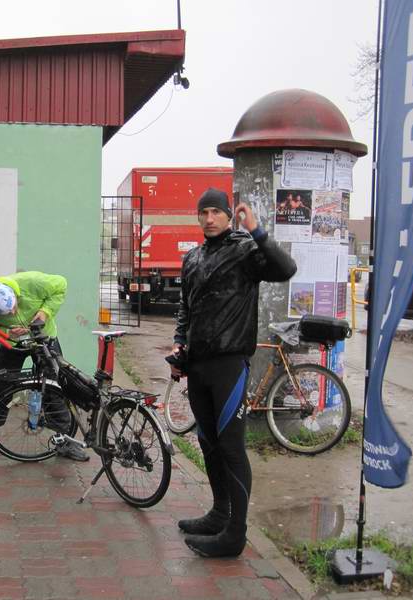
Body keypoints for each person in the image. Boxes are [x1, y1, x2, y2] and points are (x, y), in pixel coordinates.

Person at [168, 188, 296, 558]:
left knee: (231, 447)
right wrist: (179, 347)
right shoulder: (192, 258)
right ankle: (219, 513)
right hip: (198, 366)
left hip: (229, 364)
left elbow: (285, 270)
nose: (208, 218)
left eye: (215, 212)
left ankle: (235, 535)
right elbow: (185, 309)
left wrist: (256, 230)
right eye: (202, 212)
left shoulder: (245, 251)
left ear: (228, 215)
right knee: (208, 443)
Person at [0, 271, 89, 462]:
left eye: (13, 308)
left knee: (55, 387)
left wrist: (45, 313)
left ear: (16, 296)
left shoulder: (32, 282)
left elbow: (62, 284)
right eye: (6, 313)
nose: (12, 313)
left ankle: (64, 440)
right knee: (0, 388)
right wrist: (8, 332)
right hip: (13, 345)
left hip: (43, 339)